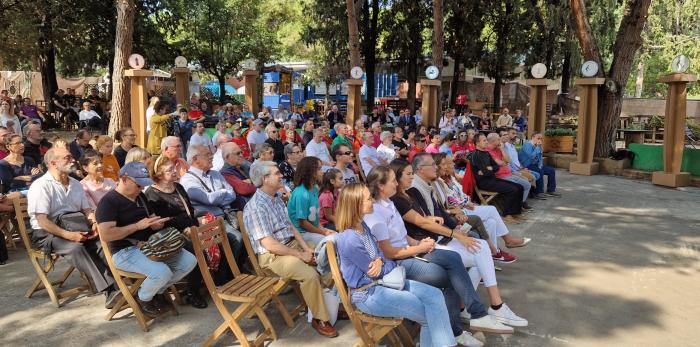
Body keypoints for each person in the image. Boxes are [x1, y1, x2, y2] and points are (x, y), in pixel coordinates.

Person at [364, 166, 513, 343]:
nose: (396, 183)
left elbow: (402, 235)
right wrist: (419, 248)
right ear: (381, 186)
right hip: (398, 261)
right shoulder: (375, 213)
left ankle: (474, 316)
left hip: (409, 250)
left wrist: (418, 243)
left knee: (454, 258)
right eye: (392, 181)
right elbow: (389, 252)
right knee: (446, 278)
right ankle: (459, 329)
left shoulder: (388, 203)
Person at [390, 158, 528, 327]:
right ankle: (491, 307)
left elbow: (426, 216)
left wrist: (453, 228)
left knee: (481, 249)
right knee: (478, 251)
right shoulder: (397, 199)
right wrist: (456, 234)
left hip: (434, 239)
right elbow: (421, 222)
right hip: (426, 244)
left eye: (412, 173)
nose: (411, 177)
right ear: (396, 178)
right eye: (408, 174)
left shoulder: (412, 193)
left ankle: (481, 306)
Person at [334, 183, 461, 346]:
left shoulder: (362, 226)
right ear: (356, 205)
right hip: (370, 294)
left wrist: (380, 260)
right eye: (368, 199)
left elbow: (379, 254)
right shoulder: (350, 239)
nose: (372, 201)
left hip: (383, 283)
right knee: (431, 315)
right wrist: (386, 263)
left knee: (435, 294)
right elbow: (375, 273)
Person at [243, 161, 338, 338]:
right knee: (310, 275)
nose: (281, 176)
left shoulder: (276, 197)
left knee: (329, 257)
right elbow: (269, 245)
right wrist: (300, 255)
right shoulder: (256, 207)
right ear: (265, 179)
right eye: (276, 173)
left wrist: (305, 248)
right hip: (272, 257)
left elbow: (291, 227)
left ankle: (331, 306)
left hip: (289, 245)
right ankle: (320, 318)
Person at [96, 161, 197, 316]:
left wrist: (156, 223)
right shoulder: (109, 202)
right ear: (124, 179)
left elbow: (150, 219)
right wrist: (137, 226)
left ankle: (155, 291)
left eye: (143, 184)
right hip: (124, 251)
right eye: (138, 184)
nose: (142, 188)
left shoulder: (140, 196)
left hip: (151, 245)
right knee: (162, 272)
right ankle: (143, 298)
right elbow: (106, 235)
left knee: (189, 261)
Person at [28, 146, 118, 308]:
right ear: (53, 163)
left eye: (71, 157)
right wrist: (69, 236)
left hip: (75, 225)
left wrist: (94, 223)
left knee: (103, 241)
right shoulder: (40, 185)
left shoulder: (76, 184)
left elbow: (87, 210)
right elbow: (42, 221)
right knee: (76, 248)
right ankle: (110, 289)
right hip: (48, 232)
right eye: (67, 158)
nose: (73, 160)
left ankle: (124, 280)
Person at [144, 154, 233, 309]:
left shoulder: (178, 187)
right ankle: (192, 291)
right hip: (172, 235)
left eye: (173, 168)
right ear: (158, 174)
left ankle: (219, 281)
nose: (174, 171)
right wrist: (189, 225)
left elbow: (189, 212)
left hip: (190, 227)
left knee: (223, 237)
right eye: (169, 170)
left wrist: (196, 223)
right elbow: (162, 222)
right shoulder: (152, 194)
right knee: (194, 250)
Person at [435, 154, 530, 258]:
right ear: (437, 166)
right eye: (448, 163)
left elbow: (462, 195)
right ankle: (508, 240)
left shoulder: (451, 178)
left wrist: (467, 201)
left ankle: (492, 254)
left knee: (491, 222)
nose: (453, 164)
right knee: (492, 209)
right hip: (461, 211)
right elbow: (453, 202)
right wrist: (466, 203)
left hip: (465, 207)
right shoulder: (440, 182)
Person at [180, 145, 244, 262]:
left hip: (227, 216)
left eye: (211, 154)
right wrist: (223, 192)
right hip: (210, 222)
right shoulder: (188, 180)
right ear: (195, 159)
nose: (212, 157)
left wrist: (218, 196)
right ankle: (228, 276)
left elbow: (232, 194)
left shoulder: (216, 174)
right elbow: (208, 199)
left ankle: (239, 269)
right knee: (237, 239)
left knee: (249, 233)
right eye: (207, 154)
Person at [472, 133, 524, 221]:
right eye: (484, 140)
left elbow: (496, 167)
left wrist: (490, 168)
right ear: (477, 143)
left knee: (519, 187)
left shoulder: (486, 153)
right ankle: (506, 214)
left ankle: (515, 213)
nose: (486, 142)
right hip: (485, 183)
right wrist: (488, 170)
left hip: (492, 179)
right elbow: (486, 172)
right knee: (512, 189)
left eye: (486, 140)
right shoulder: (475, 155)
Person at [287, 157, 335, 245]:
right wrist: (323, 233)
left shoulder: (315, 189)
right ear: (310, 172)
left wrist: (324, 230)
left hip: (314, 229)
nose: (322, 172)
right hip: (302, 233)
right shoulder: (301, 193)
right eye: (319, 169)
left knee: (337, 236)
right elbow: (303, 223)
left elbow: (315, 220)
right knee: (331, 242)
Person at [485, 133, 532, 208]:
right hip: (500, 177)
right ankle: (515, 207)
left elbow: (508, 160)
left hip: (508, 174)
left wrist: (502, 149)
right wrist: (504, 162)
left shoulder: (498, 149)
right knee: (518, 187)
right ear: (493, 141)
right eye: (498, 139)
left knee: (527, 185)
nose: (500, 141)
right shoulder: (488, 151)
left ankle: (519, 205)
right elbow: (501, 163)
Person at [519, 133, 560, 197]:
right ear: (533, 137)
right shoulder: (527, 145)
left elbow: (540, 157)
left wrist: (540, 165)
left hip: (536, 165)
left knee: (551, 170)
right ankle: (539, 192)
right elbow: (531, 156)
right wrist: (537, 147)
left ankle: (551, 190)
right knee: (540, 171)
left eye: (541, 138)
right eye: (538, 138)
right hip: (526, 165)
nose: (540, 140)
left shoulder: (539, 146)